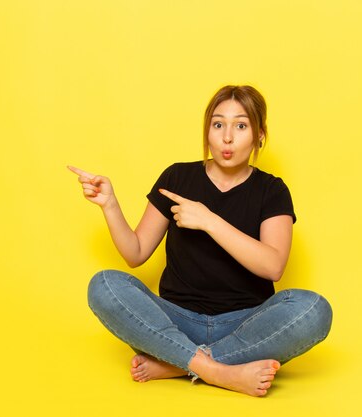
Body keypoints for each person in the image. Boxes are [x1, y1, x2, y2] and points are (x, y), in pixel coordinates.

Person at [68, 85, 332, 397]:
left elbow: (273, 266)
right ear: (207, 130)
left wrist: (209, 221)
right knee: (104, 285)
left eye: (241, 125)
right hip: (176, 321)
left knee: (314, 309)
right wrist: (109, 204)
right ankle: (218, 371)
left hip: (245, 325)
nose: (227, 137)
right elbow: (135, 253)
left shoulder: (271, 190)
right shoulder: (177, 177)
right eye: (218, 124)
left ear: (260, 134)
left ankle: (179, 363)